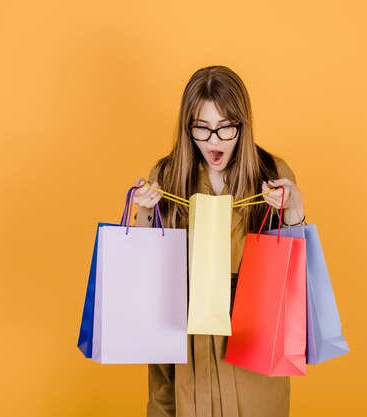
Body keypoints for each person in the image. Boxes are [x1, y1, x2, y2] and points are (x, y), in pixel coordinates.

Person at [131, 65, 306, 417]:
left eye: (225, 128)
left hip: (252, 332)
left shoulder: (271, 173)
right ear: (187, 127)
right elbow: (148, 275)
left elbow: (292, 279)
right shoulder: (166, 176)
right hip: (183, 331)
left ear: (242, 123)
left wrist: (294, 212)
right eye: (202, 128)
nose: (213, 141)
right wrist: (145, 213)